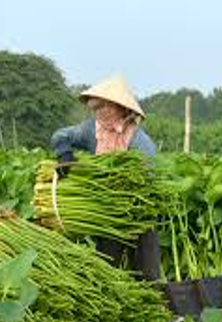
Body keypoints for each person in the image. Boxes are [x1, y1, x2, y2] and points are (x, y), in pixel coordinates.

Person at [51, 75, 160, 279]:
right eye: (95, 109)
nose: (98, 113)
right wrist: (64, 153)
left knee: (147, 271)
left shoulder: (138, 140)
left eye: (102, 108)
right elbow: (60, 135)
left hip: (137, 210)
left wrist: (126, 192)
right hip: (106, 210)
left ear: (118, 107)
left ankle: (153, 298)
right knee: (107, 266)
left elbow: (150, 174)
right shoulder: (92, 129)